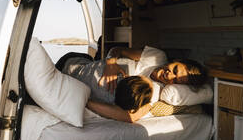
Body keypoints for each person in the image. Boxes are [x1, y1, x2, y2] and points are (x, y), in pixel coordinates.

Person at [56, 45, 207, 123]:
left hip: (68, 81)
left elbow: (129, 117)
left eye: (175, 80)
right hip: (74, 62)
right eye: (175, 69)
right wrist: (111, 64)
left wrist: (85, 102)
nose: (169, 76)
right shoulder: (157, 57)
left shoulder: (155, 92)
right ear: (177, 61)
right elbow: (117, 50)